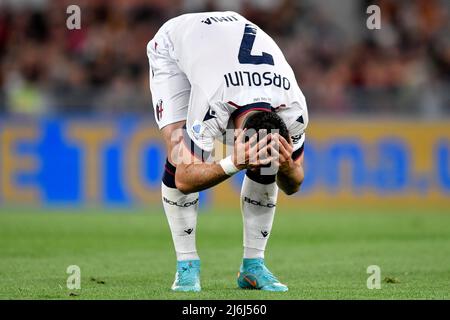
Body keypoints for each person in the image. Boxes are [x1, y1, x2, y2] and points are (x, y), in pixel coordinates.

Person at [147, 11, 308, 292]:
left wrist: (287, 167)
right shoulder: (214, 100)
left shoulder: (293, 110)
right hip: (175, 44)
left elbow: (293, 185)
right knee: (178, 150)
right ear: (235, 138)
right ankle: (186, 266)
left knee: (267, 165)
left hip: (228, 46)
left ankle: (253, 267)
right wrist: (234, 162)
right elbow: (184, 179)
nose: (257, 165)